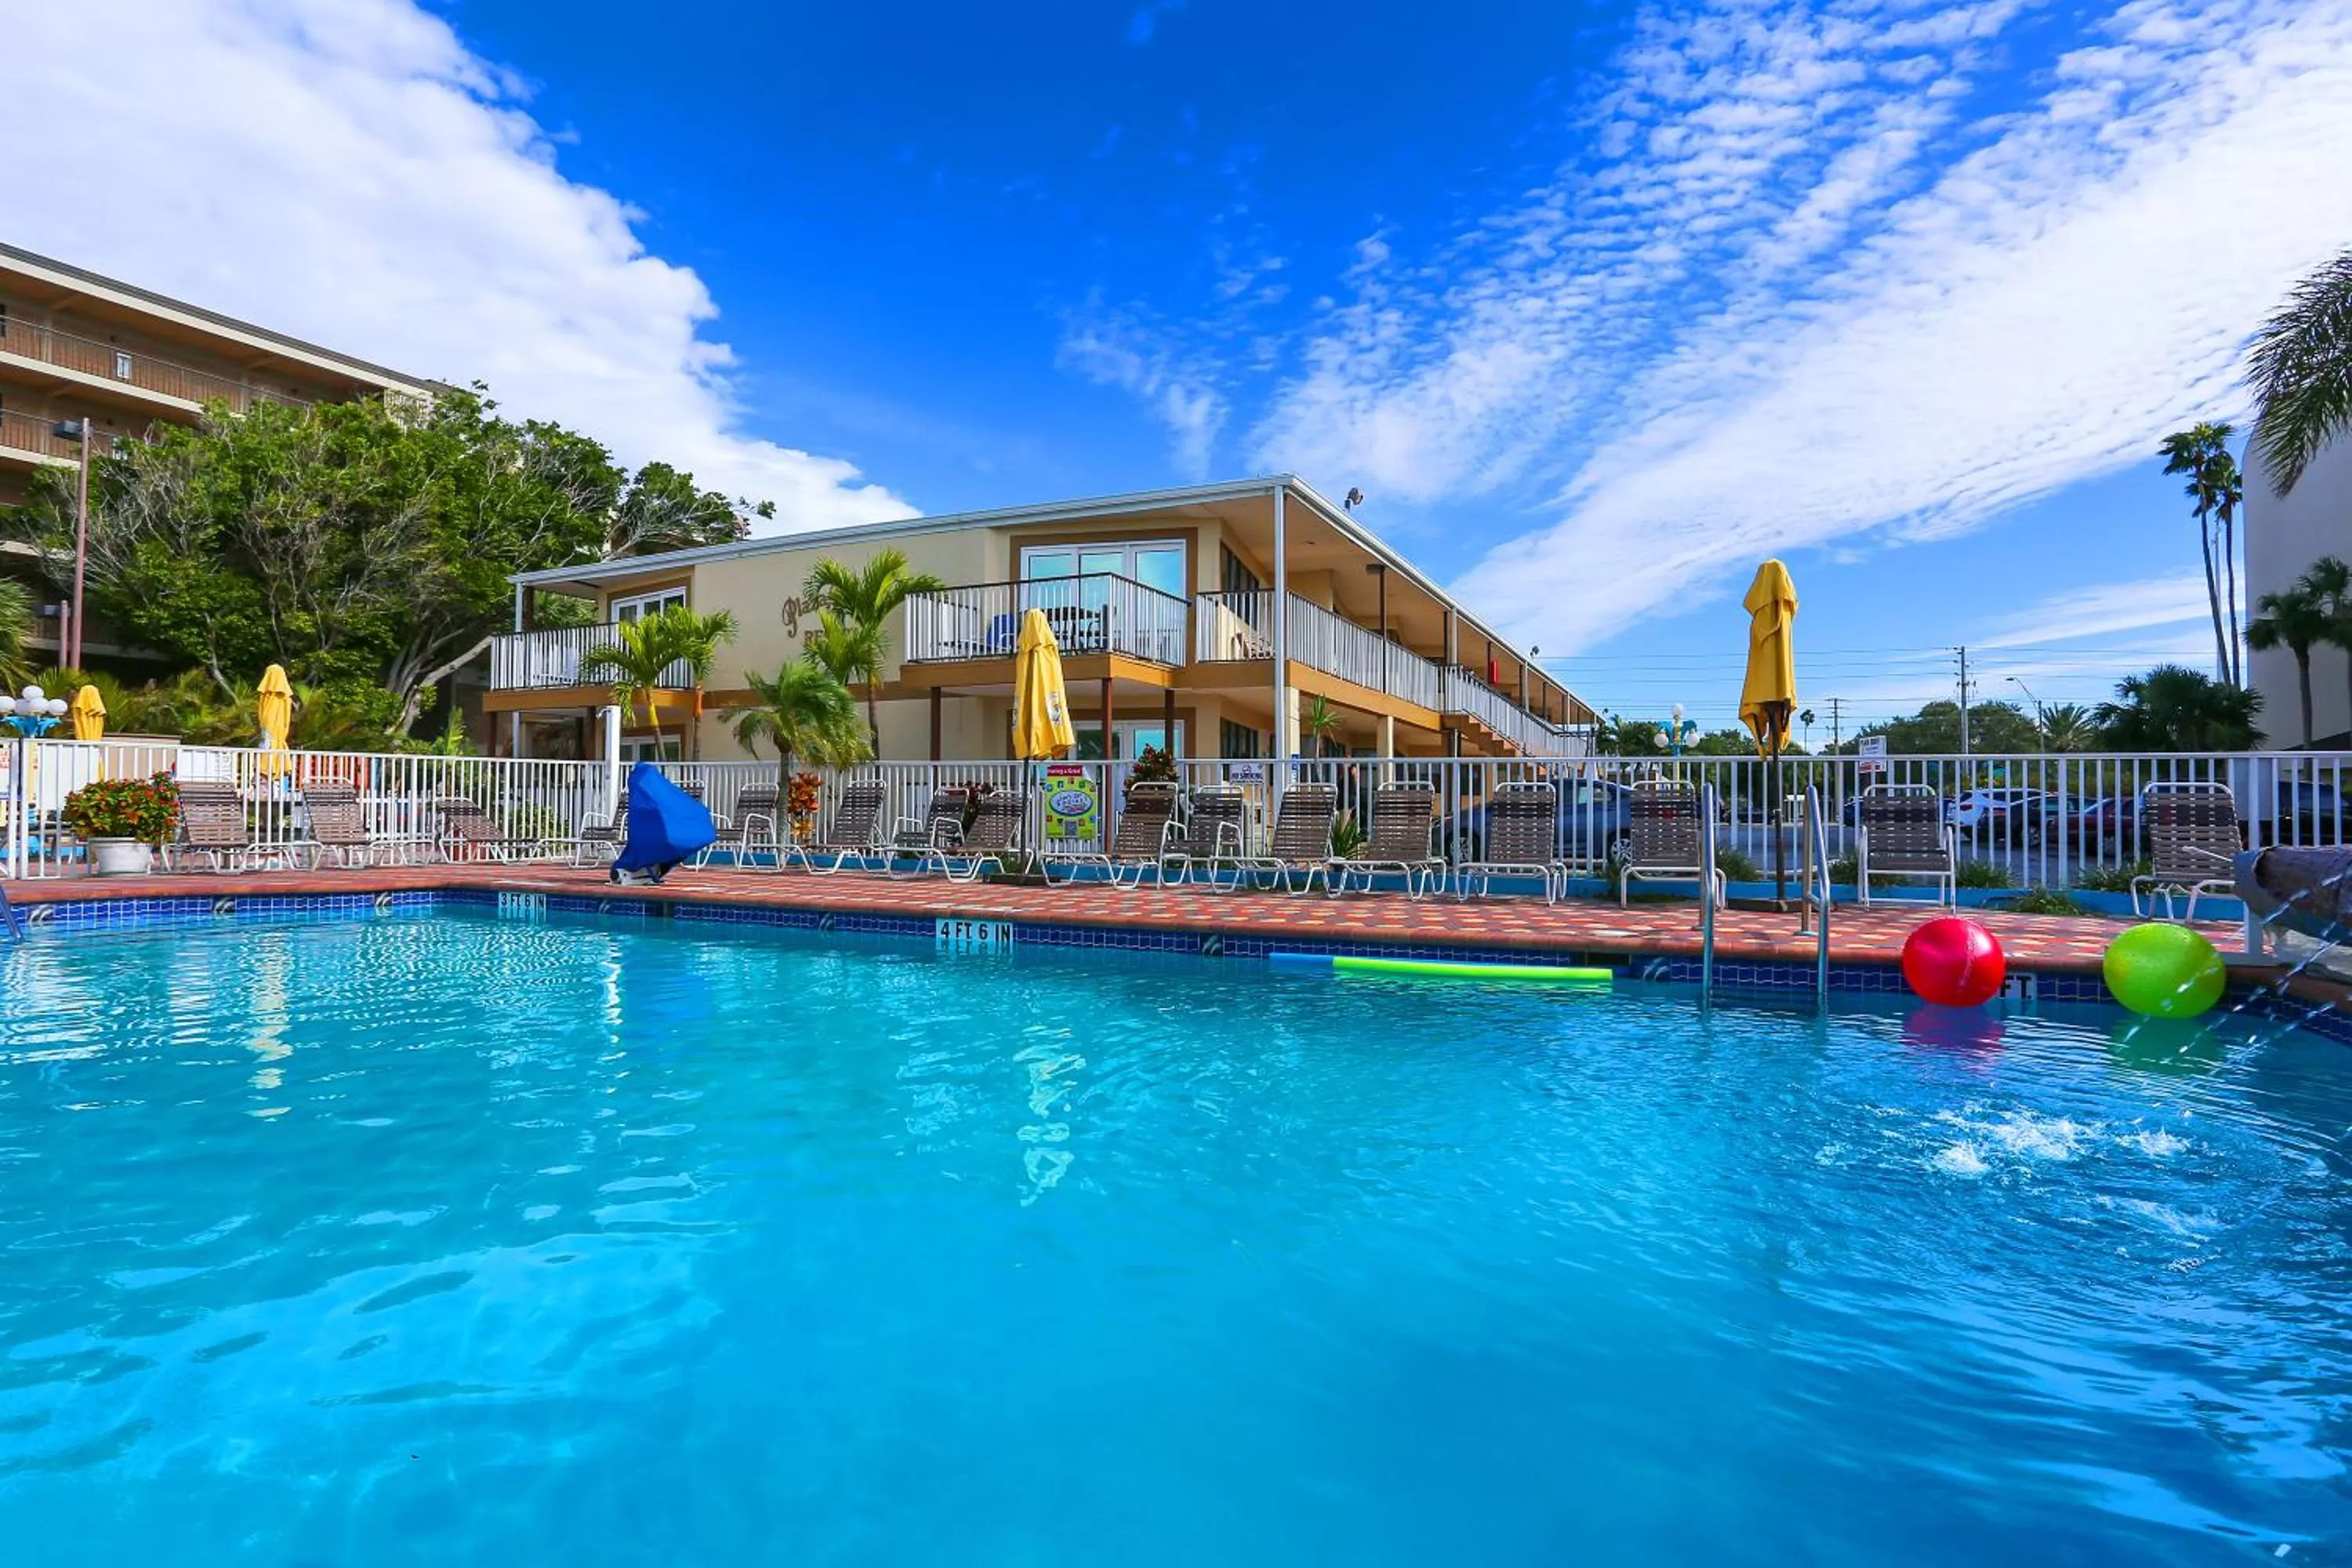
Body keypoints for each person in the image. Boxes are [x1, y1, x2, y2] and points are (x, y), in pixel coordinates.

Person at [609, 763, 716, 885]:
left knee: (653, 842)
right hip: (653, 836)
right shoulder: (650, 793)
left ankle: (641, 868)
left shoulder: (647, 794)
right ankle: (643, 869)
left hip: (654, 835)